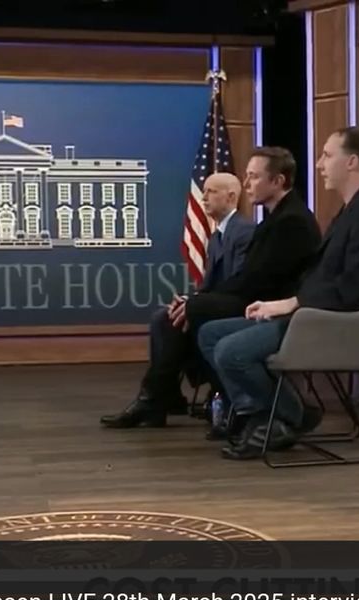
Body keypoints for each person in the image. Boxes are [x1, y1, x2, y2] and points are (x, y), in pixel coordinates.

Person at [198, 127, 359, 460]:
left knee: (231, 352)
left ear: (351, 162)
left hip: (334, 322)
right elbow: (323, 276)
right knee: (210, 334)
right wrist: (282, 304)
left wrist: (293, 303)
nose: (319, 164)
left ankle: (269, 419)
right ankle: (287, 415)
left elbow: (355, 289)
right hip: (312, 314)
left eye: (327, 155)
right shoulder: (354, 207)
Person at [99, 172, 255, 428]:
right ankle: (161, 397)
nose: (204, 197)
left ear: (231, 197)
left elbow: (239, 283)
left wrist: (196, 305)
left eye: (211, 191)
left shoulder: (244, 231)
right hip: (217, 303)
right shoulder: (217, 236)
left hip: (237, 308)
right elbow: (209, 286)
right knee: (165, 316)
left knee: (169, 321)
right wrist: (188, 299)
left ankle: (154, 400)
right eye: (204, 191)